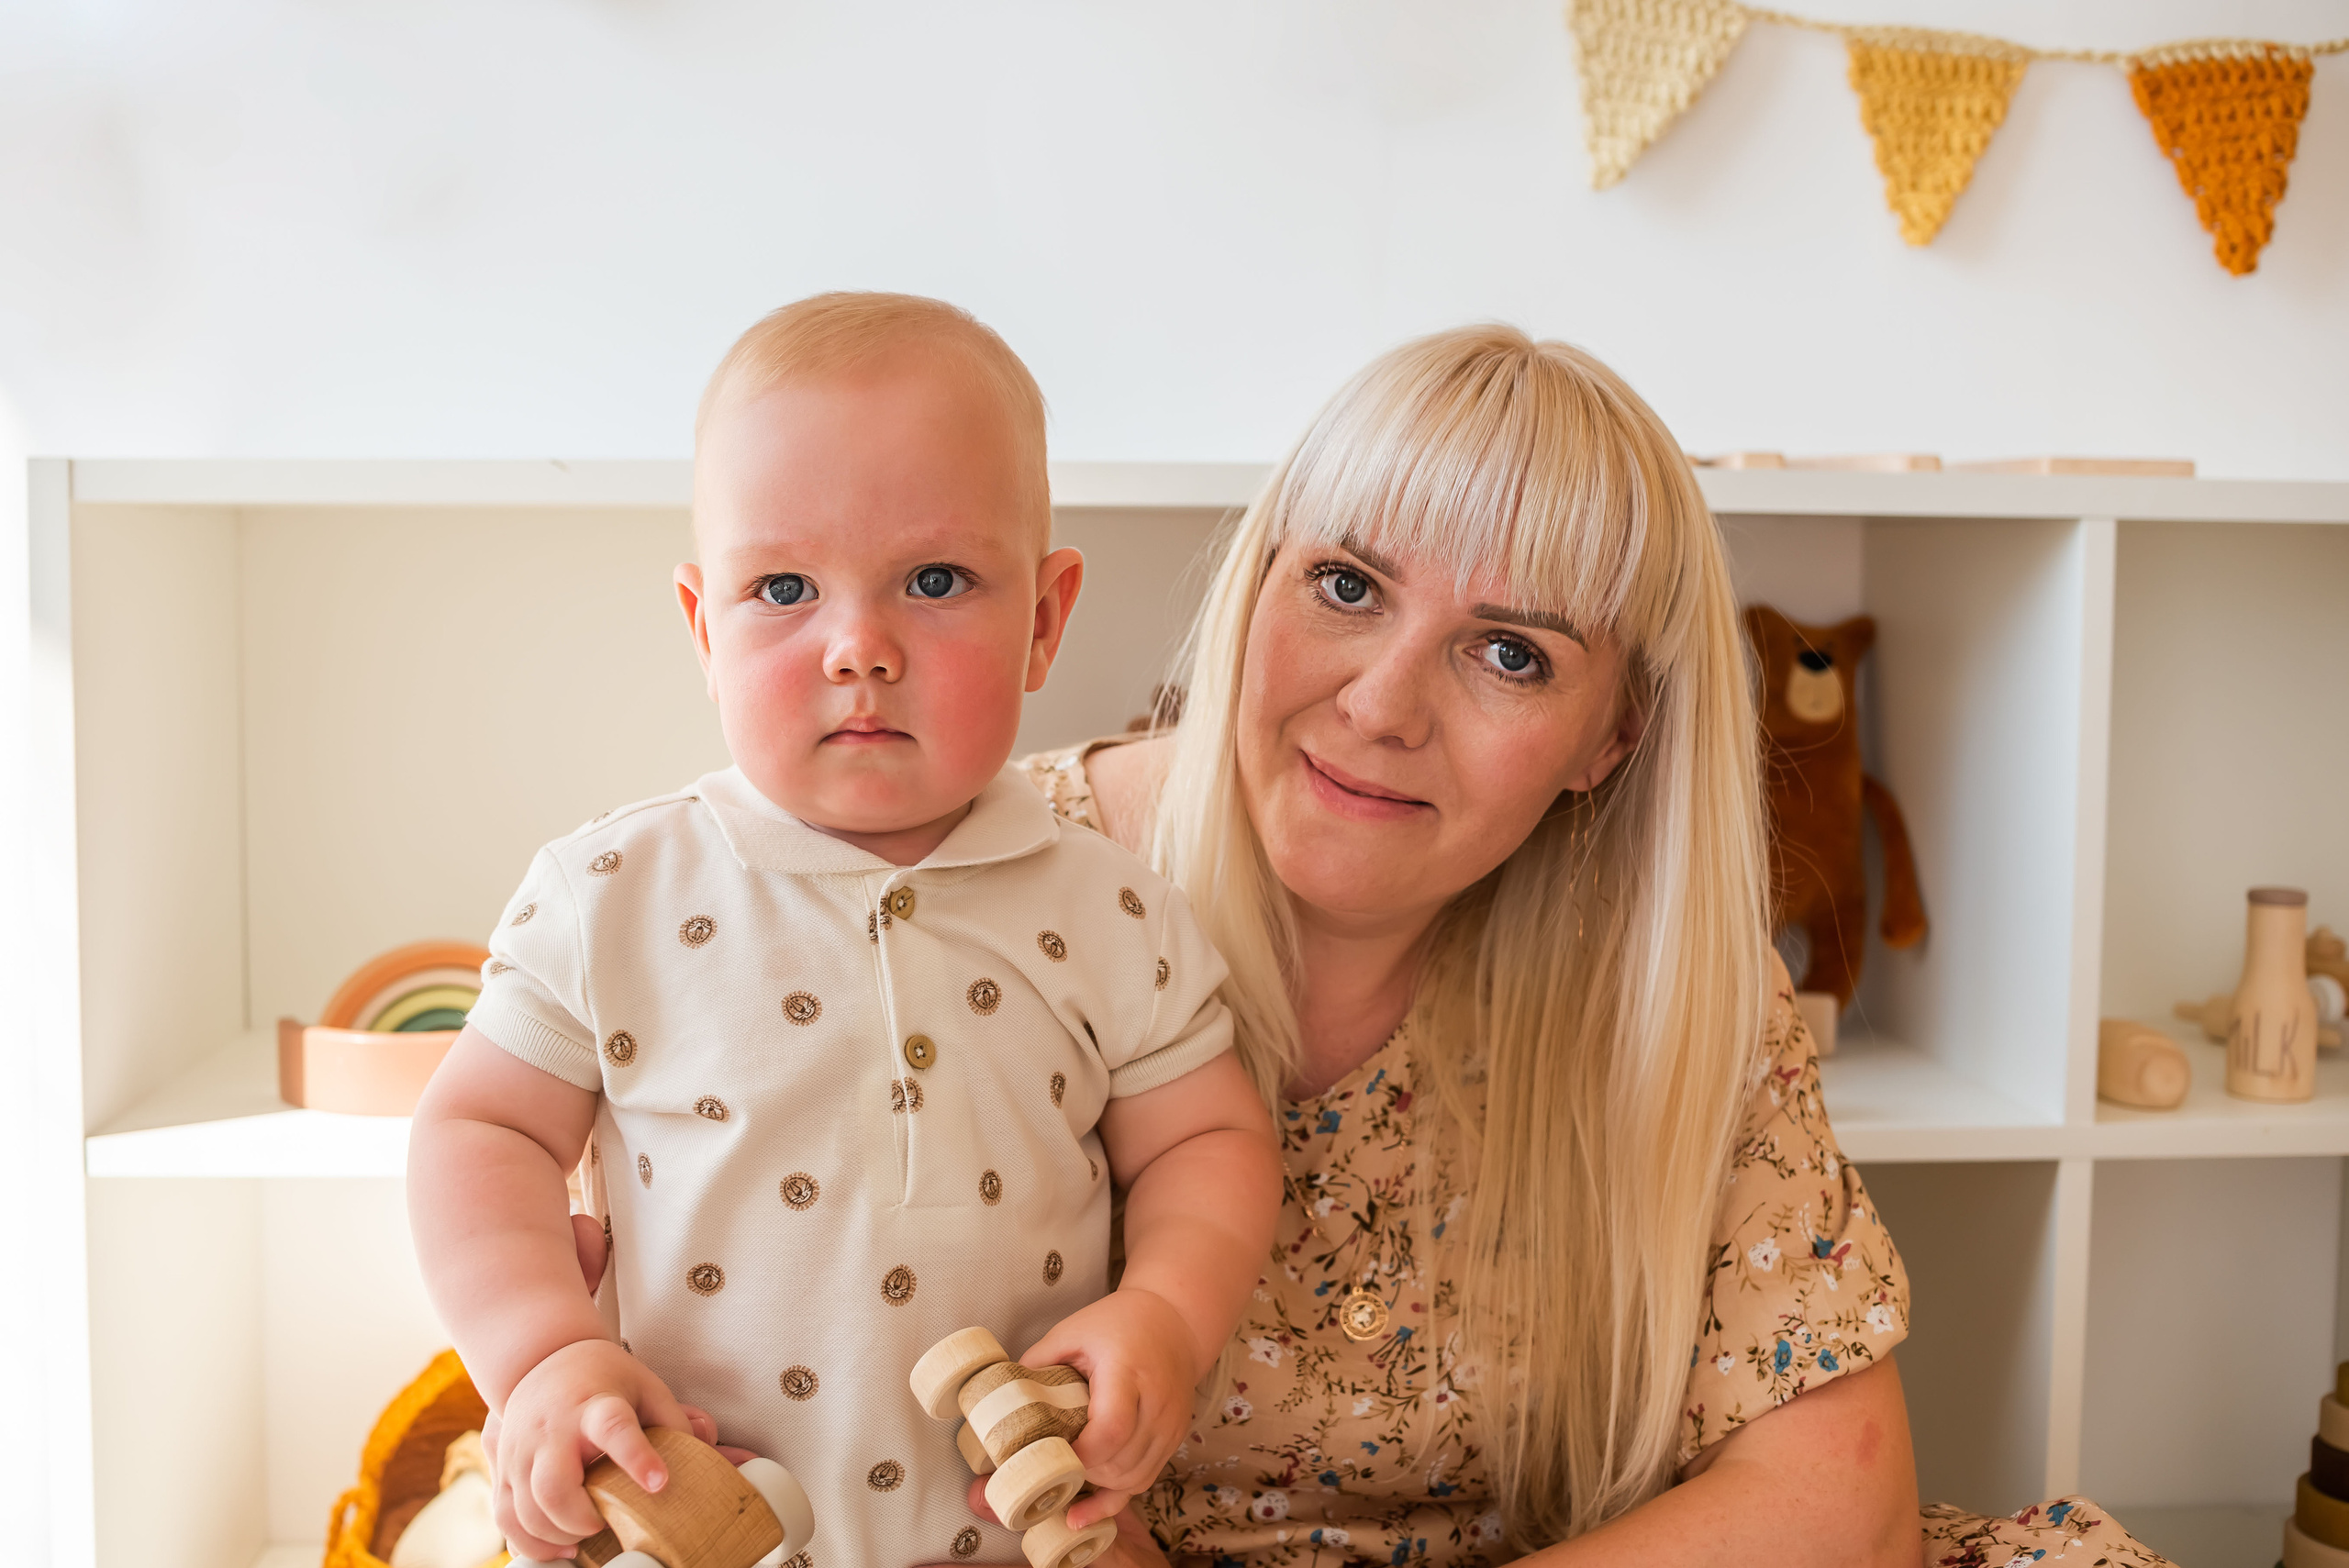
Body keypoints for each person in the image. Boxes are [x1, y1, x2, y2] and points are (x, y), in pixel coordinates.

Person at [1005, 326, 2176, 1568]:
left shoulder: (1672, 973)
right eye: (1346, 585)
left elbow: (1840, 1500)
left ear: (1609, 739)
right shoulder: (989, 889)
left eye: (1511, 652)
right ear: (1259, 580)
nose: (1381, 705)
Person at [406, 293, 1282, 1566]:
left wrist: (1166, 1313)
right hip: (704, 1513)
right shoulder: (611, 890)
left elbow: (1205, 1139)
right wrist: (543, 1350)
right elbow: (477, 1128)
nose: (858, 646)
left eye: (934, 580)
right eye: (785, 588)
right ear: (706, 628)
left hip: (1027, 1527)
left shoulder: (1114, 906)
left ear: (1043, 619)